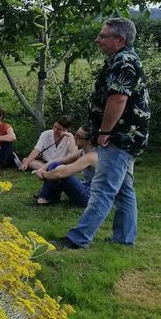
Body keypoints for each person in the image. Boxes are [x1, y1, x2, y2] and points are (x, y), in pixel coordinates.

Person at [56, 18, 150, 249]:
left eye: (103, 36)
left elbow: (118, 98)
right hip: (127, 136)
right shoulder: (120, 59)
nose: (98, 39)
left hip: (120, 136)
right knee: (124, 189)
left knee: (102, 189)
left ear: (120, 40)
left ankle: (78, 239)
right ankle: (124, 239)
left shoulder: (124, 61)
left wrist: (105, 131)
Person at [33, 126, 96, 206]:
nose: (74, 137)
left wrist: (44, 174)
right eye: (75, 134)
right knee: (55, 165)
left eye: (78, 137)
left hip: (91, 197)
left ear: (89, 141)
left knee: (61, 170)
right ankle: (48, 196)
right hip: (85, 186)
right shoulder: (83, 152)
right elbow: (58, 160)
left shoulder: (92, 156)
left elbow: (62, 173)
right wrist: (41, 169)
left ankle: (46, 197)